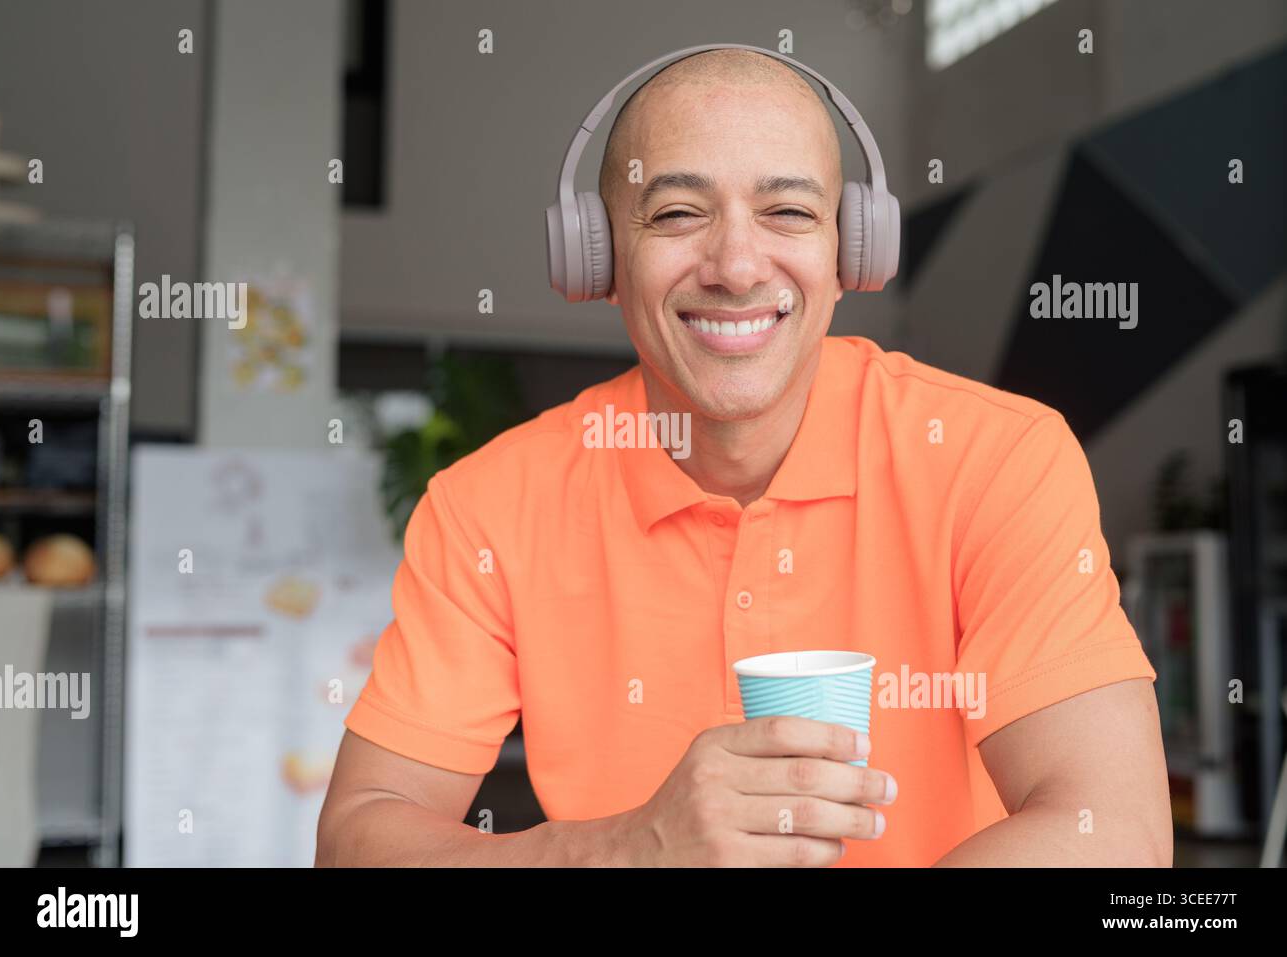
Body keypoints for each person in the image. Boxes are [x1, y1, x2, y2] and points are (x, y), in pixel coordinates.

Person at [316, 49, 1170, 867]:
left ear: (852, 253)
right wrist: (622, 851)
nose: (734, 265)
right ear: (600, 256)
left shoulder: (997, 460)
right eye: (678, 213)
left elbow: (1113, 832)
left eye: (789, 211)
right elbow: (357, 838)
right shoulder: (489, 508)